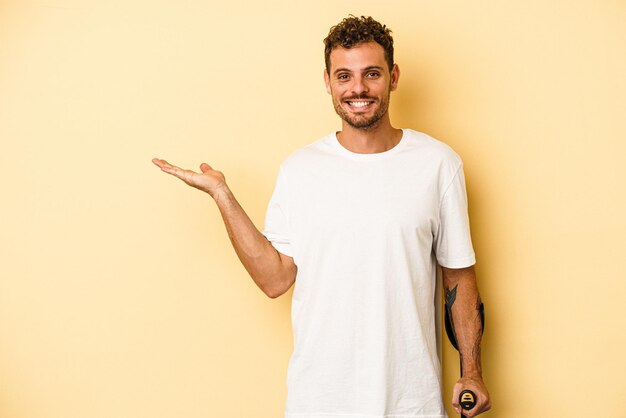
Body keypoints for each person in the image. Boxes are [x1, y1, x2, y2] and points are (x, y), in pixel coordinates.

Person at [153, 15, 491, 418]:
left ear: (394, 77)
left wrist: (471, 372)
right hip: (319, 401)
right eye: (344, 76)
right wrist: (222, 195)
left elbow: (459, 278)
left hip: (409, 401)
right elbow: (275, 279)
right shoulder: (300, 169)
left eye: (372, 74)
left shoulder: (438, 164)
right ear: (328, 81)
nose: (358, 88)